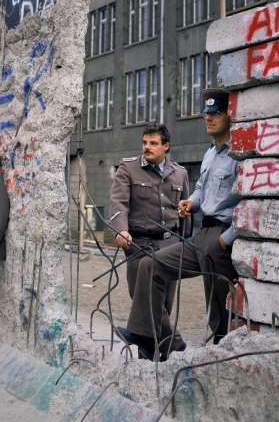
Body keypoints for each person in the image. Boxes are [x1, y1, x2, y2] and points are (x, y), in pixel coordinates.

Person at [116, 88, 240, 360]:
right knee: (150, 267)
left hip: (219, 238)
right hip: (199, 234)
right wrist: (192, 203)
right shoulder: (210, 153)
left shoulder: (239, 153)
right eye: (206, 113)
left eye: (215, 113)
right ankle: (146, 336)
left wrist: (227, 239)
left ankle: (222, 361)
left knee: (220, 310)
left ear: (229, 115)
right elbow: (200, 190)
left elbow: (251, 200)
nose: (208, 118)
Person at [109, 123, 189, 359]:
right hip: (139, 245)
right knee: (145, 299)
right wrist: (121, 230)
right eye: (145, 142)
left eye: (153, 143)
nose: (147, 147)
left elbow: (185, 210)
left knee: (163, 303)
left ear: (166, 146)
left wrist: (184, 241)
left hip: (170, 245)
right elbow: (118, 203)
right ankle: (174, 345)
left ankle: (152, 354)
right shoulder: (128, 169)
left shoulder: (180, 173)